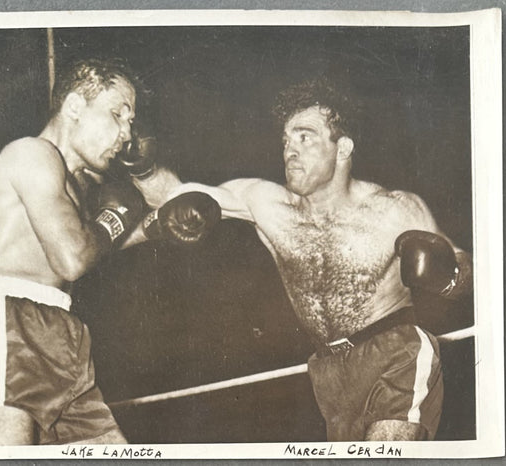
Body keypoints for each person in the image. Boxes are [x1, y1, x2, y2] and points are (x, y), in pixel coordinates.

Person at [126, 78, 473, 441]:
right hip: (328, 371)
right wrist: (142, 169)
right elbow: (171, 195)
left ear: (343, 148)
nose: (290, 149)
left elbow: (471, 270)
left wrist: (448, 276)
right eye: (286, 140)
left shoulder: (392, 209)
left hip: (394, 352)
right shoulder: (267, 204)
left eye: (305, 136)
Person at [0, 58, 221, 446]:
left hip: (63, 333)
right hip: (11, 320)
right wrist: (115, 217)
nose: (127, 135)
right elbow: (73, 258)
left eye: (131, 121)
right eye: (117, 114)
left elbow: (97, 241)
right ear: (75, 107)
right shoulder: (31, 154)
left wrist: (154, 227)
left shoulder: (80, 183)